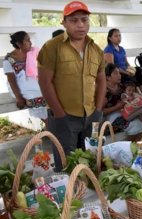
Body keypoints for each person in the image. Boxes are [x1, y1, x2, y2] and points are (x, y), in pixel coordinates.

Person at [37, 1, 106, 171]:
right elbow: (44, 82)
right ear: (64, 23)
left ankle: (88, 194)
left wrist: (97, 110)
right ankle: (70, 196)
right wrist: (60, 115)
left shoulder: (96, 50)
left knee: (89, 162)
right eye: (74, 20)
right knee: (66, 165)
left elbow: (102, 80)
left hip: (90, 116)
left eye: (84, 20)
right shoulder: (52, 47)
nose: (80, 25)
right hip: (63, 117)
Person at [3, 31, 47, 122]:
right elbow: (11, 81)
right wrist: (19, 98)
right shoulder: (9, 60)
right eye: (27, 40)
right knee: (37, 97)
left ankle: (51, 130)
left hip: (35, 82)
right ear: (19, 44)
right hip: (21, 86)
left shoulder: (33, 52)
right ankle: (50, 129)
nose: (30, 42)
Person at [103, 64, 142, 141]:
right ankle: (128, 148)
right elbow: (101, 112)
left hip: (124, 113)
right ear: (108, 77)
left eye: (119, 73)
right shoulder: (105, 91)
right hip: (110, 118)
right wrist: (117, 107)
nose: (119, 75)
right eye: (116, 73)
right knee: (136, 125)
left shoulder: (121, 87)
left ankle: (135, 147)